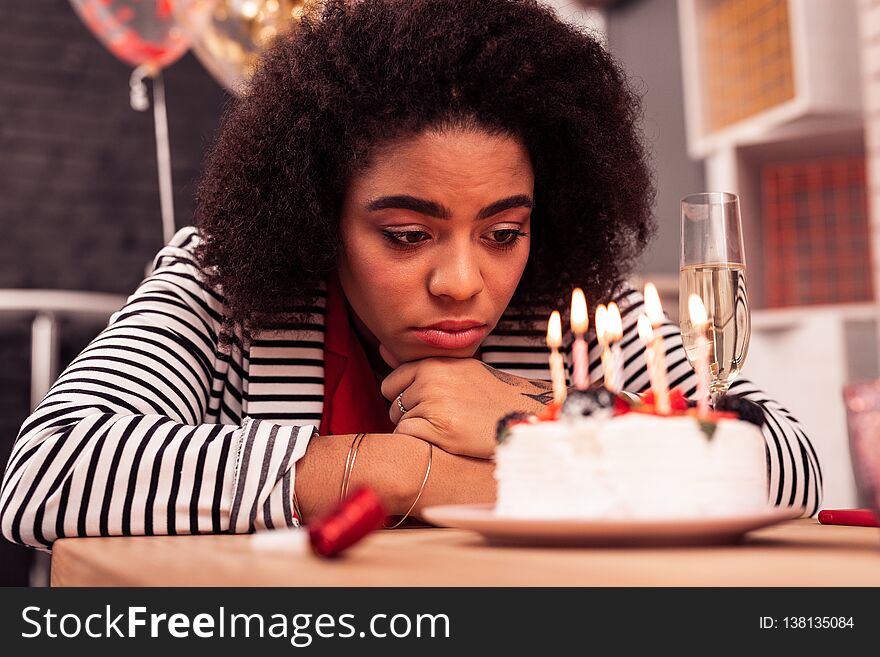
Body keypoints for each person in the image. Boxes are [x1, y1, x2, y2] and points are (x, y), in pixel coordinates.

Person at [0, 0, 820, 551]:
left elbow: (789, 462)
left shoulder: (567, 306)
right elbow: (48, 473)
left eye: (503, 231)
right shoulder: (223, 285)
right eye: (405, 234)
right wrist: (402, 470)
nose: (463, 280)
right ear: (322, 211)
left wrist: (534, 418)